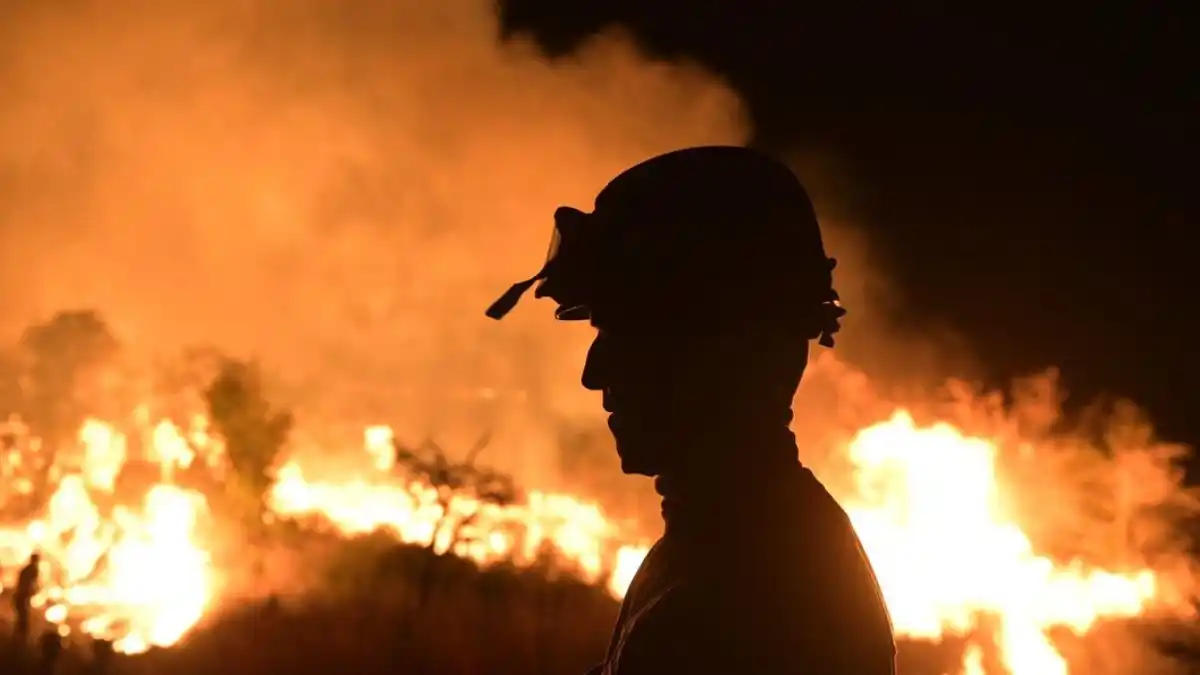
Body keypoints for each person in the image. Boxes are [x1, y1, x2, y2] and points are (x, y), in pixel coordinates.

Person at [487, 146, 896, 674]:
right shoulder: (733, 541)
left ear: (719, 349)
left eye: (626, 333)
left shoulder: (738, 596)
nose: (594, 374)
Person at [13, 551, 40, 643]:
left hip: (20, 595)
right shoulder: (32, 569)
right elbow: (33, 584)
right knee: (23, 617)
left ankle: (19, 638)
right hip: (23, 596)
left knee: (21, 616)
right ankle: (22, 639)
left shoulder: (26, 569)